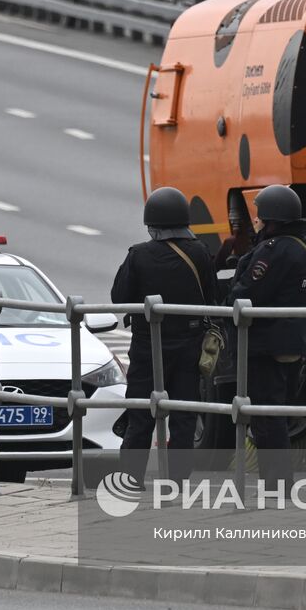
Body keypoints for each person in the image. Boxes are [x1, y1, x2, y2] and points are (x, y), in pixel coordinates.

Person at [110, 186, 215, 484]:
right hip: (190, 342)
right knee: (183, 413)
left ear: (151, 223)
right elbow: (211, 297)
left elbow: (119, 298)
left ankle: (131, 477)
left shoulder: (139, 255)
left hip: (147, 344)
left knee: (141, 411)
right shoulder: (200, 252)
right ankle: (177, 479)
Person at [228, 184, 306, 492]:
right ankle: (277, 481)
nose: (258, 223)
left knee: (266, 414)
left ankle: (276, 482)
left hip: (267, 343)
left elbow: (246, 293)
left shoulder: (274, 250)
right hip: (294, 342)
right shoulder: (303, 247)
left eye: (261, 218)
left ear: (272, 219)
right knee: (276, 410)